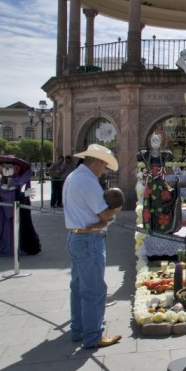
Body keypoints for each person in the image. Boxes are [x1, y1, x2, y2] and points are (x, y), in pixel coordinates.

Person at [62, 144, 122, 348]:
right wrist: (115, 210)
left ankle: (79, 328)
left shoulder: (73, 177)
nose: (104, 170)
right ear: (97, 162)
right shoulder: (87, 181)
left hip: (76, 236)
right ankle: (93, 334)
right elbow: (104, 213)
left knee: (78, 286)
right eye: (104, 165)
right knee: (94, 289)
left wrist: (102, 221)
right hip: (89, 239)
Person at [0, 155, 41, 256]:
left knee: (17, 227)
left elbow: (22, 196)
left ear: (16, 169)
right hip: (1, 212)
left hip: (15, 210)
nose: (6, 169)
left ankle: (19, 246)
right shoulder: (3, 182)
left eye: (9, 167)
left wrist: (25, 195)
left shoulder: (19, 182)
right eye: (4, 167)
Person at [137, 131, 181, 234]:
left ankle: (162, 228)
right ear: (149, 141)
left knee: (161, 206)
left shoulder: (166, 155)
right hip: (150, 185)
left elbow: (171, 168)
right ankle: (151, 228)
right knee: (150, 207)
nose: (155, 142)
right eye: (153, 140)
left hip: (161, 185)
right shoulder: (144, 155)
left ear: (161, 142)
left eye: (157, 140)